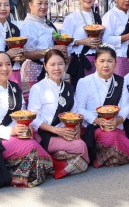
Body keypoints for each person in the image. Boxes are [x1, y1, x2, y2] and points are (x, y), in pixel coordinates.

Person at [0, 51, 53, 188]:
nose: (5, 68)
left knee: (37, 139)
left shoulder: (15, 87)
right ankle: (14, 174)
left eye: (8, 64)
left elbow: (21, 111)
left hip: (17, 132)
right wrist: (10, 131)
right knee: (32, 148)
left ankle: (16, 170)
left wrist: (25, 126)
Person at [27, 49, 89, 178]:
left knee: (86, 140)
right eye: (52, 64)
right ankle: (57, 164)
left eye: (60, 64)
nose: (57, 68)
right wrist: (56, 130)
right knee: (81, 147)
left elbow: (74, 111)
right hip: (46, 134)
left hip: (66, 132)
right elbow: (33, 118)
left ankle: (58, 160)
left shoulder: (69, 87)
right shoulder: (38, 88)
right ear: (45, 66)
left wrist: (76, 126)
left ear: (65, 65)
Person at [75, 46, 129, 167]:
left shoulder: (121, 82)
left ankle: (111, 156)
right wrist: (97, 120)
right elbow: (79, 108)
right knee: (111, 136)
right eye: (102, 61)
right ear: (95, 62)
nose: (106, 65)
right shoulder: (85, 82)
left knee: (115, 134)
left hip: (116, 124)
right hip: (94, 125)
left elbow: (126, 106)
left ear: (116, 63)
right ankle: (102, 156)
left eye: (110, 61)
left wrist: (118, 120)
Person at [21, 0, 66, 87]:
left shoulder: (46, 23)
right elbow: (27, 53)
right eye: (39, 3)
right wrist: (51, 50)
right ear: (30, 5)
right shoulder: (28, 25)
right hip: (35, 70)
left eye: (46, 3)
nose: (43, 7)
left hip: (51, 68)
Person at [63, 0, 103, 82]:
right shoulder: (71, 18)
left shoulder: (96, 17)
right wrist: (82, 41)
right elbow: (64, 42)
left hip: (97, 60)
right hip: (80, 60)